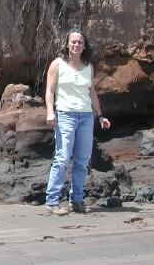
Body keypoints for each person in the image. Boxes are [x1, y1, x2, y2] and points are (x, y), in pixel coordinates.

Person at [44, 29, 111, 215]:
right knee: (62, 157)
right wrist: (51, 112)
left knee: (82, 160)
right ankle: (52, 201)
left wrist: (100, 116)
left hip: (86, 116)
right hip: (65, 115)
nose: (76, 45)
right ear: (67, 44)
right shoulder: (57, 64)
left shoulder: (88, 66)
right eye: (73, 42)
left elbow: (92, 92)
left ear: (84, 46)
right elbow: (50, 91)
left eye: (80, 42)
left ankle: (77, 200)